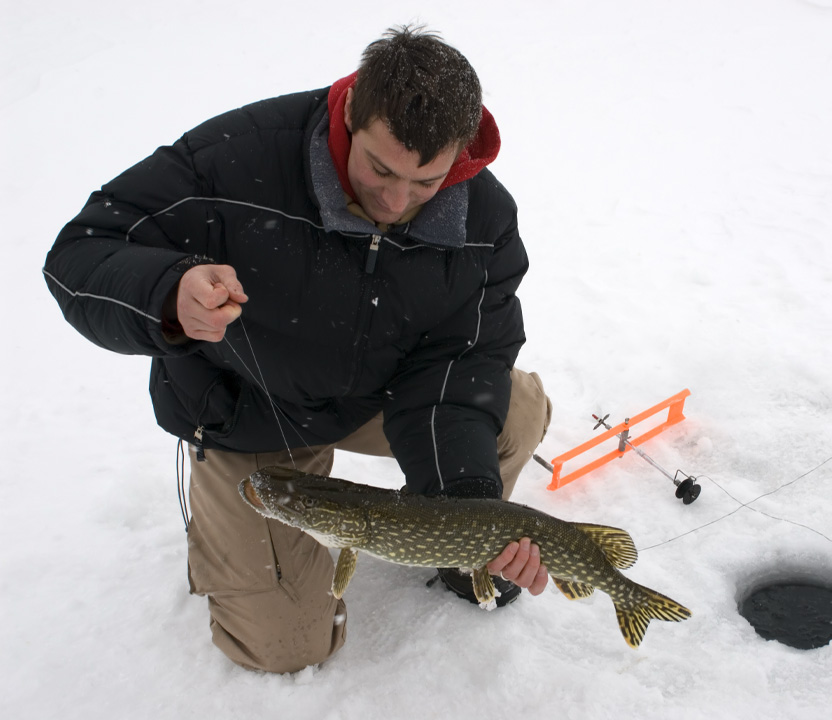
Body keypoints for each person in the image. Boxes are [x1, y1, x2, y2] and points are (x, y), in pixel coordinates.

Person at [43, 25, 552, 673]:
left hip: (383, 393)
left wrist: (466, 507)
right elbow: (80, 253)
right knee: (284, 650)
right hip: (254, 408)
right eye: (379, 168)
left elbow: (462, 362)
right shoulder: (232, 160)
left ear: (461, 153)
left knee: (516, 409)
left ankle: (455, 556)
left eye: (427, 182)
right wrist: (167, 292)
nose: (396, 202)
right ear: (348, 112)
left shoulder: (483, 220)